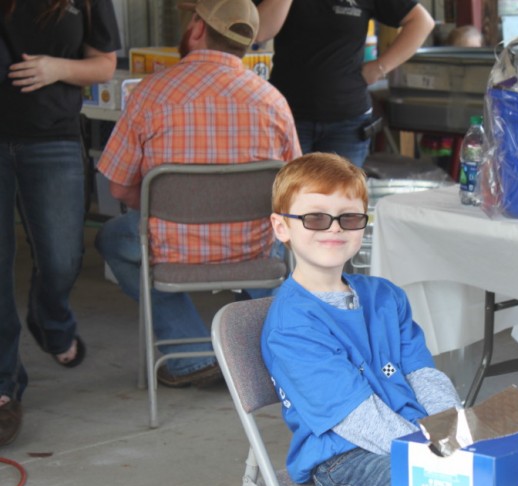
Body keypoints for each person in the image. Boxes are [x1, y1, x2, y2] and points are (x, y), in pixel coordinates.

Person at [94, 0, 301, 389]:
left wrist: (166, 212)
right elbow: (294, 190)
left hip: (173, 251)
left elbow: (119, 187)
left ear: (197, 28)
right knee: (278, 237)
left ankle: (190, 350)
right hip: (252, 251)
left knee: (113, 238)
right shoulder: (273, 101)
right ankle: (262, 352)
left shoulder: (149, 95)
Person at [262, 153, 461, 486]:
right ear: (282, 227)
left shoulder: (386, 296)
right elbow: (358, 420)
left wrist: (456, 436)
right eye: (315, 217)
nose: (335, 227)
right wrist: (438, 458)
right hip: (348, 456)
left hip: (419, 437)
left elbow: (423, 374)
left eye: (348, 217)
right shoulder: (291, 326)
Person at [0, 0, 119, 446]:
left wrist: (56, 68)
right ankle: (4, 387)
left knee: (62, 259)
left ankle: (52, 324)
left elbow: (104, 66)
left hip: (53, 136)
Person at [253, 0, 434, 167]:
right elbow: (260, 32)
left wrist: (379, 67)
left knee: (340, 199)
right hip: (288, 118)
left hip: (347, 124)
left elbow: (421, 22)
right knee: (289, 199)